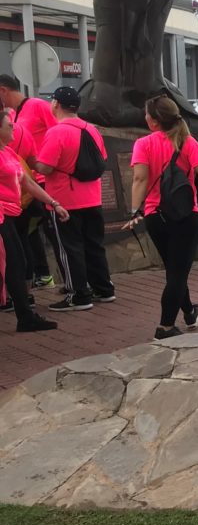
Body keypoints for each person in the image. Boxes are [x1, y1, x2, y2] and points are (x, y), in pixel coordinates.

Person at [124, 94, 198, 339]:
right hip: (186, 216)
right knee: (177, 272)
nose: (145, 118)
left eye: (147, 114)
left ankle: (189, 310)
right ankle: (165, 327)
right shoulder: (187, 142)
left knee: (174, 269)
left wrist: (135, 211)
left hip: (156, 216)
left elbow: (140, 179)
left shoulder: (143, 144)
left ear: (154, 121)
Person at [34, 86, 115, 312]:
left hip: (64, 199)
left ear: (56, 104)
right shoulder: (92, 129)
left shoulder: (57, 132)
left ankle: (78, 294)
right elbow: (102, 158)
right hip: (93, 196)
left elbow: (46, 167)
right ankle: (104, 288)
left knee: (69, 248)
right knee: (94, 245)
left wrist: (31, 161)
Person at [0, 106, 63, 332]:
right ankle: (25, 316)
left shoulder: (8, 153)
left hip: (10, 214)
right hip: (1, 217)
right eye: (9, 127)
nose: (14, 132)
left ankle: (25, 315)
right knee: (15, 264)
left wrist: (53, 203)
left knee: (17, 264)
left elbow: (27, 182)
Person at [0, 74, 58, 288]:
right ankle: (34, 279)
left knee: (38, 234)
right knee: (26, 234)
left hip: (36, 181)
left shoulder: (36, 105)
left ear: (4, 90)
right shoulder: (13, 114)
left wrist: (46, 164)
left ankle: (39, 280)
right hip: (20, 185)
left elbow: (56, 132)